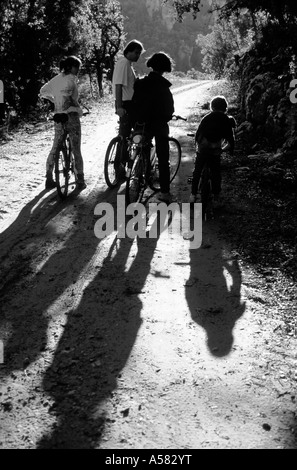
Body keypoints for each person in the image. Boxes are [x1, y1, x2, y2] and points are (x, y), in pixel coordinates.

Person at [132, 51, 175, 203]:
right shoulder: (164, 87)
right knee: (163, 158)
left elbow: (134, 102)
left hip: (141, 123)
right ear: (165, 68)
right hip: (159, 125)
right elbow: (169, 110)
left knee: (141, 147)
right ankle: (164, 192)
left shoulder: (140, 82)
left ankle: (137, 172)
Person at [39, 55, 86, 190]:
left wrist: (54, 100)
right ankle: (80, 180)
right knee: (75, 147)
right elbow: (73, 100)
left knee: (55, 146)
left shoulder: (56, 79)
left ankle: (49, 177)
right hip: (71, 116)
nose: (79, 69)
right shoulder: (71, 80)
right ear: (71, 67)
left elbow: (42, 91)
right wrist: (79, 110)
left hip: (58, 116)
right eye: (78, 67)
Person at [189, 95, 236, 206]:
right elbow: (231, 141)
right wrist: (223, 150)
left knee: (197, 171)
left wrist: (197, 146)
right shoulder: (226, 120)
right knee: (216, 173)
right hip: (215, 150)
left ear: (212, 107)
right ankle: (216, 197)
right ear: (225, 108)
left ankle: (193, 195)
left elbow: (198, 135)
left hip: (203, 148)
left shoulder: (206, 118)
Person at [112, 39, 144, 162]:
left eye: (139, 53)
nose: (138, 55)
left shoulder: (127, 64)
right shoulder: (124, 63)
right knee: (125, 135)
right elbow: (118, 85)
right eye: (136, 52)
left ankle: (123, 161)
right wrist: (119, 107)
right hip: (126, 104)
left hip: (128, 103)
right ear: (128, 51)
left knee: (126, 135)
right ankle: (120, 163)